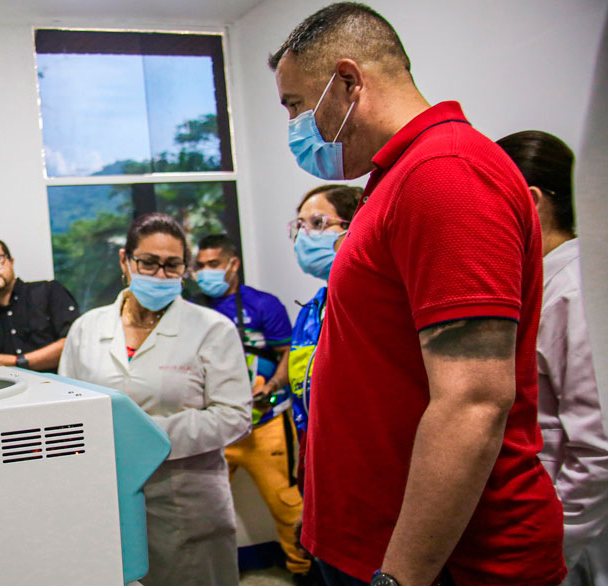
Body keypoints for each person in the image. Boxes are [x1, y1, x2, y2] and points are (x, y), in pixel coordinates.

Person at [268, 3, 565, 585]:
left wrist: (398, 578)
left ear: (349, 81)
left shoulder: (447, 174)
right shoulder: (398, 177)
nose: (295, 128)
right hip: (372, 542)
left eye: (296, 105)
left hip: (444, 563)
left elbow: (473, 401)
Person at [59, 212, 252, 586]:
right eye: (148, 263)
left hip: (188, 498)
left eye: (172, 265)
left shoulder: (212, 329)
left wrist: (145, 436)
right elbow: (69, 411)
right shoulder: (88, 328)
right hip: (110, 494)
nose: (160, 276)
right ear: (125, 261)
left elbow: (234, 416)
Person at [497, 130, 608, 585]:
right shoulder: (542, 284)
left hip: (567, 538)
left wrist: (554, 543)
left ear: (530, 202)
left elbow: (597, 447)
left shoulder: (574, 292)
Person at [192, 234, 311, 582]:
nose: (204, 272)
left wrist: (272, 387)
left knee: (288, 507)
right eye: (200, 265)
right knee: (202, 510)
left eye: (213, 264)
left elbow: (287, 353)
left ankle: (305, 572)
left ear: (233, 264)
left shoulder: (264, 305)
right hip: (212, 428)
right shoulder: (191, 309)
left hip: (266, 424)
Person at [279, 184, 362, 486]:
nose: (304, 236)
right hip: (316, 452)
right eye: (299, 227)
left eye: (317, 224)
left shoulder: (372, 304)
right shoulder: (312, 309)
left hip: (361, 456)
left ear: (353, 228)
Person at [0, 237, 79, 372]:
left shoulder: (48, 292)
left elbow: (73, 343)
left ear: (10, 261)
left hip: (59, 389)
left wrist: (17, 362)